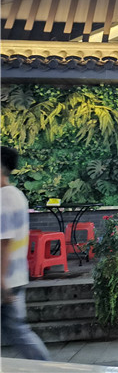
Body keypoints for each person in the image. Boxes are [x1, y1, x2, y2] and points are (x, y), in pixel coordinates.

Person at [0, 146, 50, 361]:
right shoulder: (16, 195)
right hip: (16, 275)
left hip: (6, 277)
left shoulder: (5, 197)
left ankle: (44, 367)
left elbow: (4, 241)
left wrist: (2, 279)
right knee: (17, 330)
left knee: (19, 332)